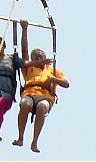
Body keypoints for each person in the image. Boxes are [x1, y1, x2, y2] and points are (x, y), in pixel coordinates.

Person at [12, 21, 69, 153]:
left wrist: (53, 79)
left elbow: (66, 84)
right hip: (30, 93)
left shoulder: (53, 70)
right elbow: (24, 50)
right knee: (25, 104)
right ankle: (20, 137)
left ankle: (34, 142)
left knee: (42, 107)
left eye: (40, 56)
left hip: (45, 95)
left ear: (45, 57)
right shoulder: (29, 67)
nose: (38, 58)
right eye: (35, 57)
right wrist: (24, 29)